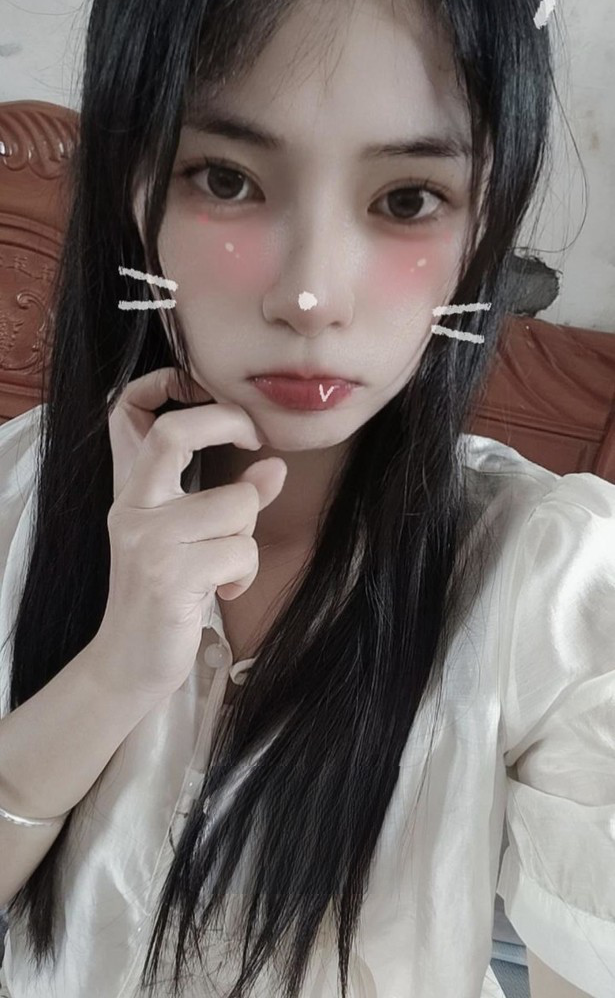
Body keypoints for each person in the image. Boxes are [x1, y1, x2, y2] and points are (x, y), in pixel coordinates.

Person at [0, 0, 613, 996]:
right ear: (133, 189)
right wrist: (113, 671)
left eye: (408, 198)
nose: (311, 296)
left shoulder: (554, 582)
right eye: (227, 179)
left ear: (484, 220)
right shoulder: (17, 488)